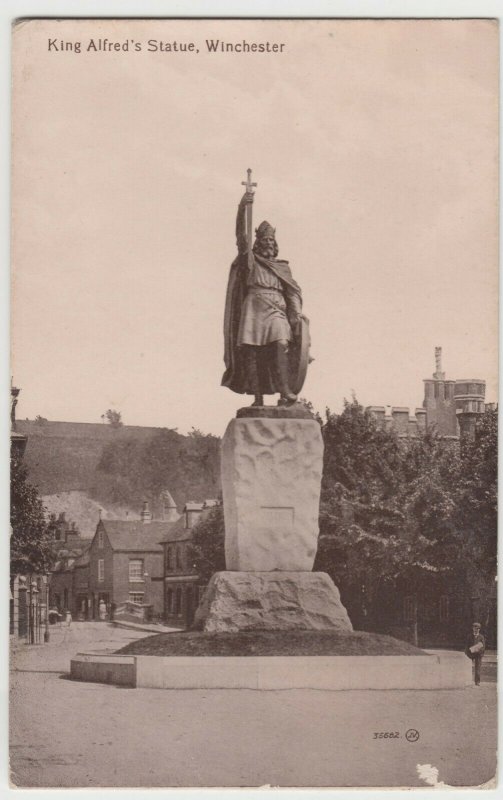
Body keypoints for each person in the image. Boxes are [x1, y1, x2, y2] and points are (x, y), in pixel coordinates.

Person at [222, 188, 306, 407]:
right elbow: (241, 237)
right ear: (258, 243)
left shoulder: (282, 267)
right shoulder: (249, 261)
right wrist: (243, 207)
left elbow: (293, 292)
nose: (268, 243)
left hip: (277, 311)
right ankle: (257, 397)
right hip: (253, 309)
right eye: (265, 240)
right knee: (252, 352)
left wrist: (296, 314)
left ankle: (285, 391)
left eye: (271, 240)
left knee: (280, 346)